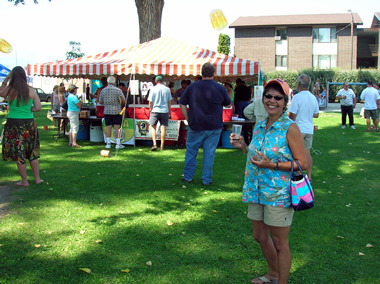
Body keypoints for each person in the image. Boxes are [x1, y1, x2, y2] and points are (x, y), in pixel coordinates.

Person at [230, 79, 307, 284]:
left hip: (278, 194)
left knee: (280, 243)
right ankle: (273, 274)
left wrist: (271, 165)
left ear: (285, 102)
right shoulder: (259, 126)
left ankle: (281, 281)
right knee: (259, 236)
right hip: (255, 189)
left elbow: (303, 164)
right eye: (268, 96)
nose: (272, 100)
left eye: (277, 97)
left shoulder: (290, 128)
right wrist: (244, 147)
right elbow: (257, 156)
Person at [179, 63, 231, 185]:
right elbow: (228, 104)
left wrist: (188, 118)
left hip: (195, 124)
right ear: (213, 73)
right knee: (209, 153)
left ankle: (188, 177)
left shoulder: (192, 87)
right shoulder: (220, 88)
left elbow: (182, 103)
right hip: (214, 126)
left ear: (201, 72)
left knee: (191, 151)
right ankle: (206, 180)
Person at [0, 66, 44, 186]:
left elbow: (0, 91)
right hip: (29, 123)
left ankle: (24, 181)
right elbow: (38, 107)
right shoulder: (31, 90)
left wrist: (6, 79)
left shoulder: (9, 89)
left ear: (12, 77)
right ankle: (37, 178)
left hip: (13, 123)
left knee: (19, 152)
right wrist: (28, 109)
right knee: (32, 151)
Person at [288, 74, 319, 181]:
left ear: (299, 84)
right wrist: (307, 113)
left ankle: (299, 175)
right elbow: (316, 114)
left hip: (298, 129)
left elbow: (292, 115)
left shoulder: (297, 97)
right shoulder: (313, 97)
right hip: (309, 129)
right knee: (307, 153)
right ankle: (309, 176)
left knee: (295, 153)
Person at [99, 76, 126, 149]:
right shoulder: (118, 90)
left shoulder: (103, 90)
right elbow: (123, 100)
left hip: (107, 110)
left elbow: (100, 101)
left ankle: (108, 143)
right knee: (117, 128)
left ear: (107, 82)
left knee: (108, 127)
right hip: (116, 110)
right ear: (114, 82)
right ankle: (117, 144)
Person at [148, 75, 172, 151]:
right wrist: (169, 110)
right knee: (163, 127)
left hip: (155, 110)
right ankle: (162, 146)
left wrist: (150, 109)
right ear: (162, 81)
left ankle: (154, 144)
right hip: (164, 110)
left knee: (153, 127)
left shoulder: (152, 89)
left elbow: (150, 101)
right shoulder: (167, 89)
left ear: (155, 81)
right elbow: (169, 101)